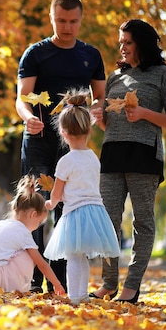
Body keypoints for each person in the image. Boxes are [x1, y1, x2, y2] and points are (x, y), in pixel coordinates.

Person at [15, 0, 106, 293]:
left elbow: (101, 97)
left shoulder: (91, 55)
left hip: (74, 144)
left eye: (73, 21)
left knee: (68, 206)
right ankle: (32, 281)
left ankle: (61, 283)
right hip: (39, 139)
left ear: (81, 20)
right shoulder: (35, 54)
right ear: (52, 18)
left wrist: (97, 109)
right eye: (61, 21)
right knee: (37, 205)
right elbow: (22, 97)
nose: (67, 27)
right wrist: (27, 116)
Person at [91, 19, 166, 303]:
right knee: (108, 221)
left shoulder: (163, 76)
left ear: (141, 43)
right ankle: (108, 283)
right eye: (121, 42)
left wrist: (144, 113)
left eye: (127, 42)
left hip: (145, 155)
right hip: (113, 153)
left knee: (142, 222)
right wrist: (99, 117)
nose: (122, 47)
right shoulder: (115, 77)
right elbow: (110, 124)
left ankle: (131, 286)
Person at [42, 90, 120, 304]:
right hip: (95, 212)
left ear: (63, 132)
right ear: (88, 130)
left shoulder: (65, 161)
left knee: (73, 257)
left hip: (74, 213)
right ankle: (82, 295)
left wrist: (50, 203)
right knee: (82, 256)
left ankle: (75, 296)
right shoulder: (94, 158)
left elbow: (57, 193)